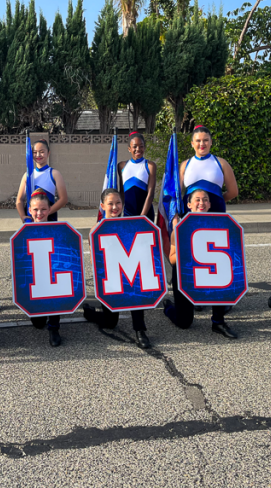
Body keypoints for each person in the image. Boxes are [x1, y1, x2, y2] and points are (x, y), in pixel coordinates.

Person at [162, 189, 238, 339]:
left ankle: (218, 321)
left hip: (209, 272)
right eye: (197, 200)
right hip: (185, 275)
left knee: (221, 274)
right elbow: (172, 260)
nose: (201, 203)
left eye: (205, 200)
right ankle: (169, 307)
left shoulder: (219, 225)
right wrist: (187, 250)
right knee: (184, 323)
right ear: (189, 204)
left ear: (210, 204)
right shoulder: (180, 229)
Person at [180, 124, 238, 319]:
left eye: (205, 140)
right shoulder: (184, 165)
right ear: (192, 143)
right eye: (198, 140)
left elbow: (232, 191)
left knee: (218, 258)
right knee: (196, 257)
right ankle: (198, 295)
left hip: (217, 219)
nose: (202, 143)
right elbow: (180, 195)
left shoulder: (220, 163)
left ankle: (220, 300)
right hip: (193, 220)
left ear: (211, 142)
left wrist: (215, 203)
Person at [83, 188, 151, 349]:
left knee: (136, 288)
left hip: (129, 274)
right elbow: (97, 262)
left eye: (118, 203)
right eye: (110, 203)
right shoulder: (95, 230)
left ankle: (140, 330)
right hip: (111, 280)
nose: (115, 207)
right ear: (102, 205)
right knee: (110, 323)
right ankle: (89, 312)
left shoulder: (130, 225)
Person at [25, 190, 62, 347]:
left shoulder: (58, 229)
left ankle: (54, 328)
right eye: (35, 209)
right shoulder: (24, 231)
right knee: (38, 323)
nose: (39, 213)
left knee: (55, 295)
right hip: (35, 280)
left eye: (43, 209)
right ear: (29, 210)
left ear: (50, 209)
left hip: (52, 278)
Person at [15, 139, 68, 223]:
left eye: (42, 151)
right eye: (35, 152)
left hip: (49, 218)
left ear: (48, 153)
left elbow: (63, 199)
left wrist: (46, 212)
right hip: (31, 218)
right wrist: (22, 216)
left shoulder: (54, 174)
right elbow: (19, 200)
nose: (38, 155)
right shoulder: (27, 175)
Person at [118, 132, 157, 221]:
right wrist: (118, 215)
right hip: (128, 213)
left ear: (145, 147)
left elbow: (150, 194)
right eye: (135, 146)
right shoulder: (122, 166)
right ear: (129, 149)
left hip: (145, 215)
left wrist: (142, 217)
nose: (138, 149)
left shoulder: (150, 166)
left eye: (141, 146)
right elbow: (121, 193)